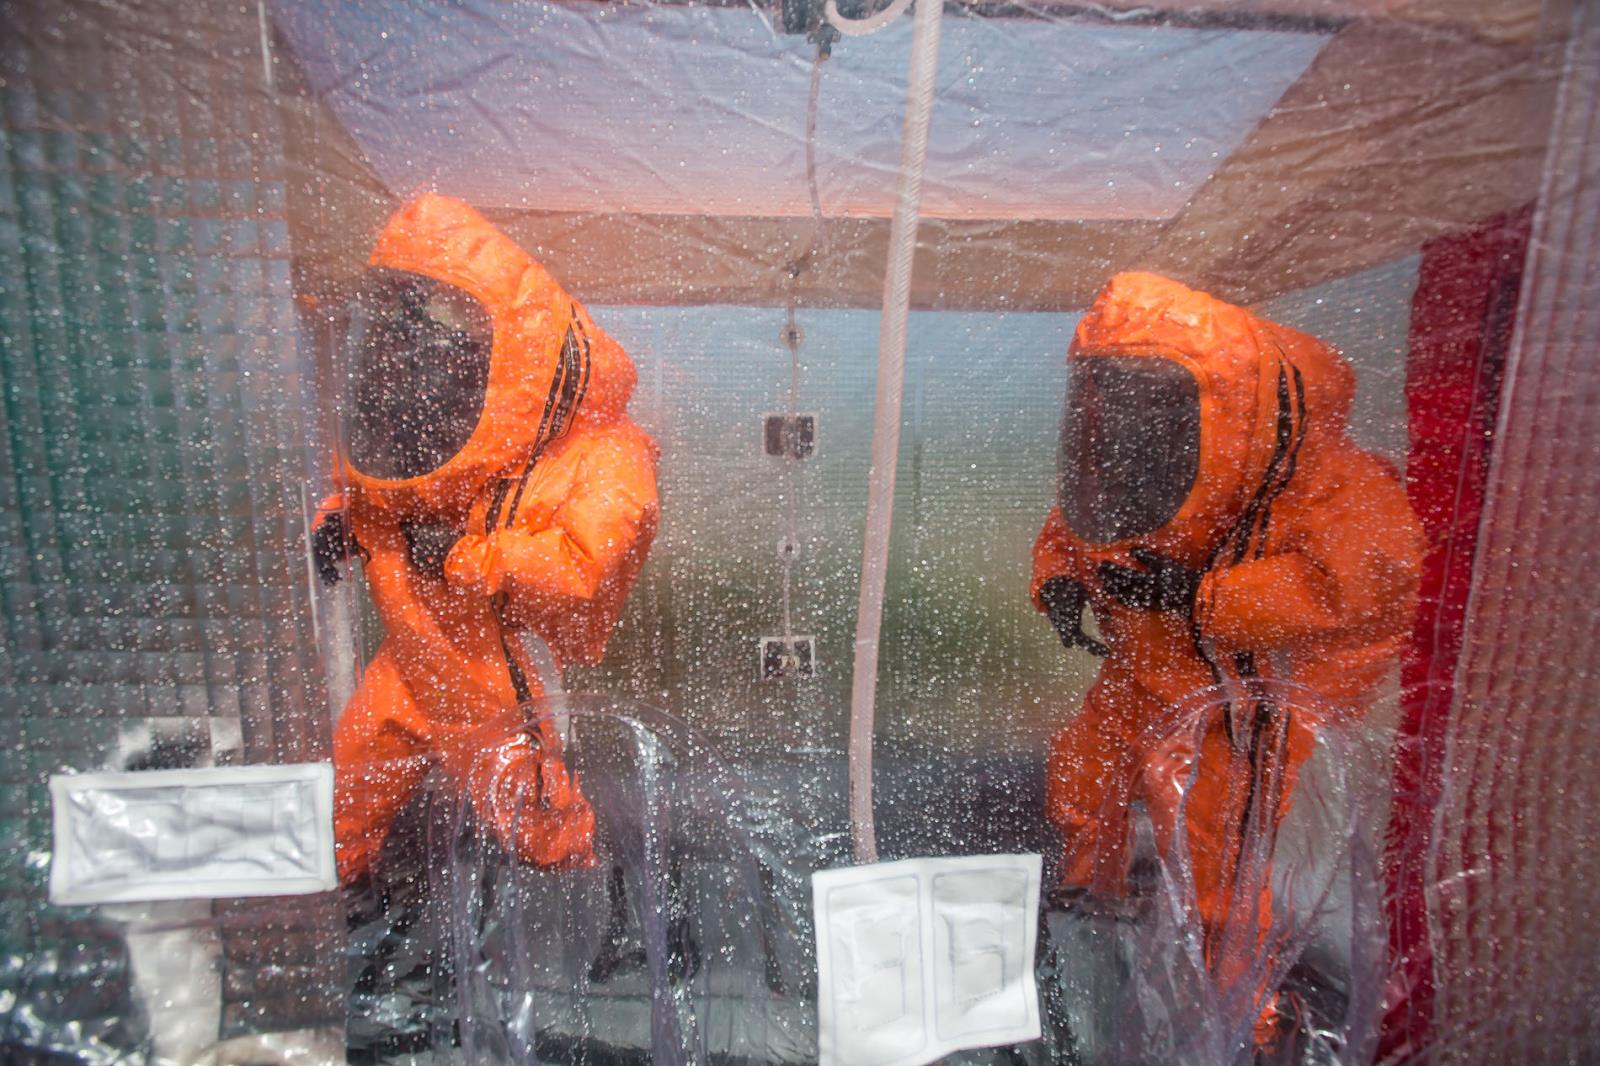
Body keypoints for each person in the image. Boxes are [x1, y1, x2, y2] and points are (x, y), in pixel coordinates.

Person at [1032, 272, 1424, 1001]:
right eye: (1110, 390)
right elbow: (1085, 516)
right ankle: (1097, 915)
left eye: (1143, 393)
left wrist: (1202, 597)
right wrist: (1058, 578)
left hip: (1250, 701)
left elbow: (1363, 582)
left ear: (1234, 402)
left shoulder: (1325, 481)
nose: (1118, 412)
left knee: (1218, 851)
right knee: (1085, 777)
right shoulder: (1146, 453)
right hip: (1147, 671)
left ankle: (1238, 1011)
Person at [315, 193, 659, 884]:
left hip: (493, 664)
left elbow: (583, 563)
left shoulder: (597, 451)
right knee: (341, 803)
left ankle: (582, 894)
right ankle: (340, 892)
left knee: (537, 820)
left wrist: (464, 558)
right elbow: (397, 488)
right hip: (411, 650)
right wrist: (339, 522)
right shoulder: (464, 419)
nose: (417, 368)